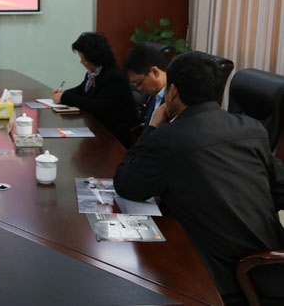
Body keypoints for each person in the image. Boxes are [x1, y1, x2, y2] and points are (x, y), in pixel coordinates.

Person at [114, 52, 284, 305]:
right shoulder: (252, 129)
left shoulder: (168, 138)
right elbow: (279, 191)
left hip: (224, 281)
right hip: (273, 266)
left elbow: (126, 184)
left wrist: (152, 127)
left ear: (172, 91)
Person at [51, 32, 138, 147]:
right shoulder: (95, 72)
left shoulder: (113, 77)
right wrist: (63, 93)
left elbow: (97, 106)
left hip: (114, 136)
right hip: (98, 127)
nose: (81, 62)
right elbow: (82, 89)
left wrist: (65, 97)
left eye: (83, 59)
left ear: (95, 58)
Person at [123, 43, 168, 127]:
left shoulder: (173, 100)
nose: (139, 88)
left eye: (139, 83)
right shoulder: (154, 96)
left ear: (155, 72)